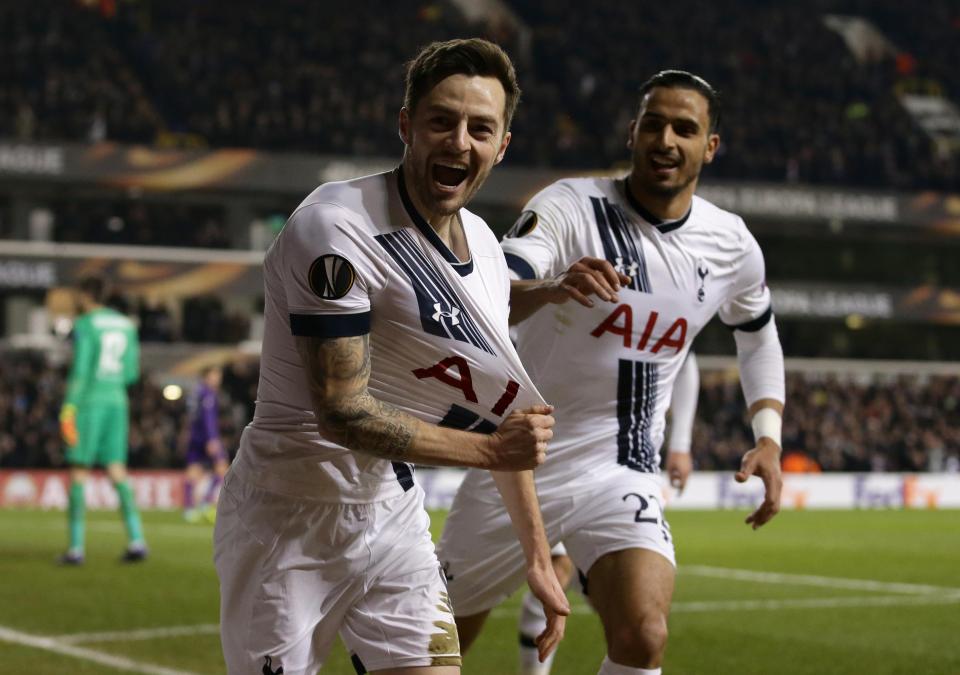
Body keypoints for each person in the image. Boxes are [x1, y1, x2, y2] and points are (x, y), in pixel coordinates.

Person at [213, 38, 569, 675]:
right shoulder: (336, 228)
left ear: (502, 145)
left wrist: (538, 560)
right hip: (284, 518)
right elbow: (342, 414)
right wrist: (491, 451)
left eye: (480, 128)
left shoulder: (486, 248)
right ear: (406, 125)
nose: (460, 142)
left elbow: (497, 409)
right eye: (441, 121)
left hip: (390, 513)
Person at [438, 70, 786, 675]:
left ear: (710, 146)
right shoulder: (570, 205)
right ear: (633, 132)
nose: (666, 139)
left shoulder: (731, 244)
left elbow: (756, 335)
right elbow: (487, 293)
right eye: (653, 124)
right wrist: (550, 287)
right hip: (519, 459)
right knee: (431, 651)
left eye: (685, 128)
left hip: (622, 470)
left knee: (644, 633)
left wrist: (769, 436)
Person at [515, 352, 700, 675]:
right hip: (544, 456)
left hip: (614, 466)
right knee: (550, 577)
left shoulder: (661, 317)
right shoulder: (532, 311)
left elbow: (687, 357)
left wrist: (681, 443)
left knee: (642, 631)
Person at [59, 275, 146, 565]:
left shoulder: (85, 324)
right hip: (117, 402)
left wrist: (69, 406)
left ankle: (75, 549)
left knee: (79, 470)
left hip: (89, 403)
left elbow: (81, 369)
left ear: (85, 294)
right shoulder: (126, 324)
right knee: (117, 469)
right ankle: (137, 540)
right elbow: (132, 372)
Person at [182, 366, 229, 523]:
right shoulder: (208, 393)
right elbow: (208, 419)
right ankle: (204, 503)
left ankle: (189, 509)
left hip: (194, 436)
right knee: (222, 467)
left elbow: (191, 415)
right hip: (206, 438)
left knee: (193, 470)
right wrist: (212, 439)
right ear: (207, 376)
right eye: (216, 374)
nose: (218, 378)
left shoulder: (196, 392)